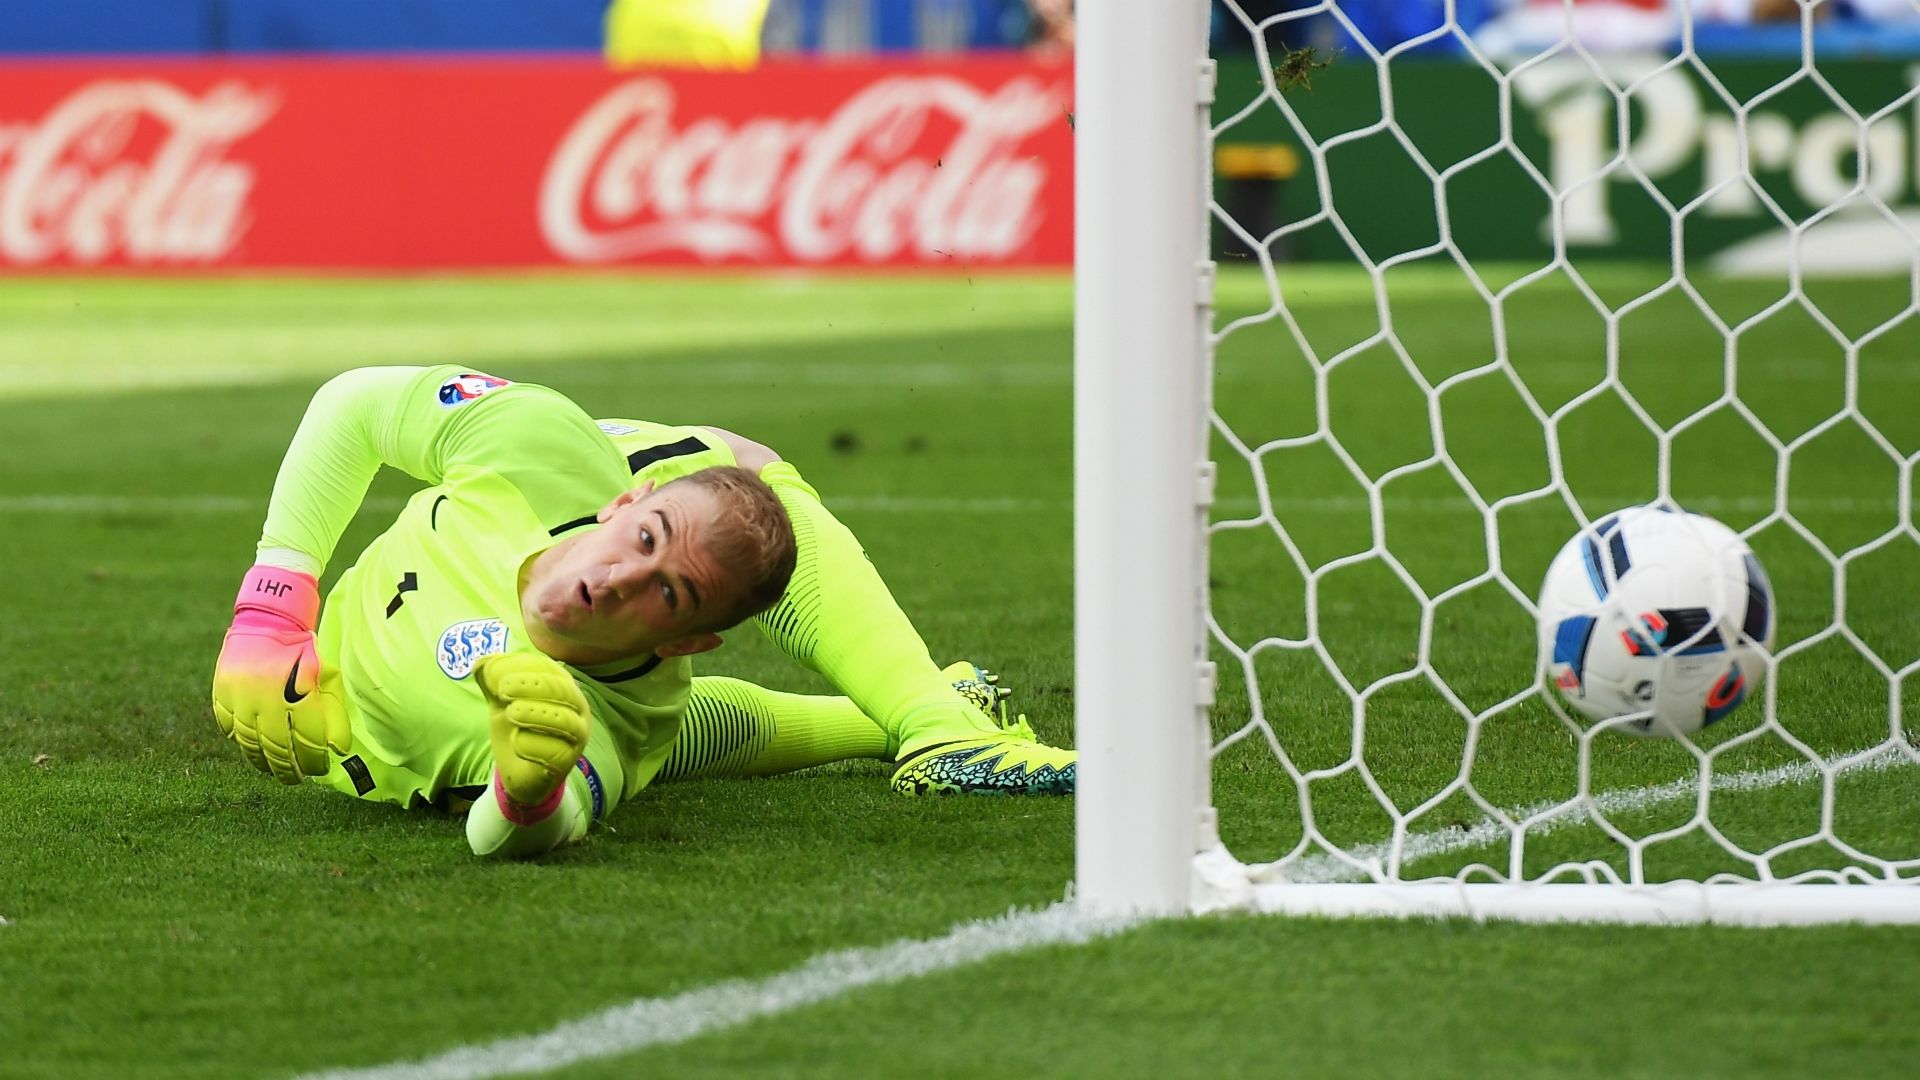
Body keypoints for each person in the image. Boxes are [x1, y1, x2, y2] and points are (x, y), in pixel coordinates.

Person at [211, 366, 1073, 859]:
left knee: (678, 727)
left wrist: (526, 789)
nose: (624, 578)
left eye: (667, 593)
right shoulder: (538, 447)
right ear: (627, 505)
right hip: (588, 478)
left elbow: (529, 831)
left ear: (688, 640)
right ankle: (931, 713)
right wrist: (272, 607)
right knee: (740, 473)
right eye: (644, 538)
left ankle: (935, 720)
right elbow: (355, 403)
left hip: (584, 702)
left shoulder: (606, 722)